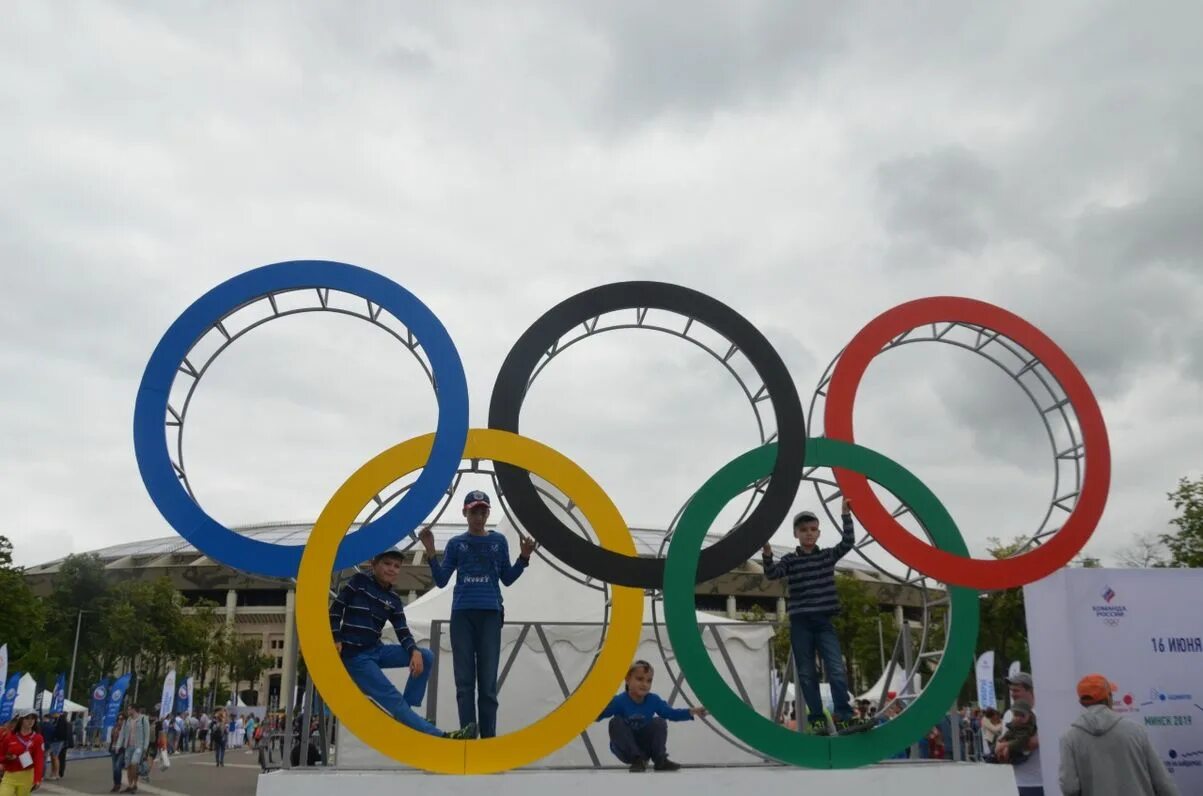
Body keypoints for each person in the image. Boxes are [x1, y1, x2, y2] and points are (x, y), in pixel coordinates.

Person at [419, 490, 536, 739]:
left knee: (487, 683)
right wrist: (430, 551)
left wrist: (524, 558)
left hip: (490, 614)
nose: (478, 516)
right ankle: (468, 736)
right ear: (465, 512)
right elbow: (441, 581)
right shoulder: (455, 544)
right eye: (474, 511)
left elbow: (507, 578)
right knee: (464, 681)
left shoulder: (499, 542)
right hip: (462, 615)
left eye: (483, 511)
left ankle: (489, 739)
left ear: (488, 513)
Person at [330, 548, 476, 739]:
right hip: (356, 656)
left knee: (426, 655)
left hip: (376, 649)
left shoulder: (393, 600)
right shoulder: (359, 582)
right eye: (387, 564)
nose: (392, 569)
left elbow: (403, 631)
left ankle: (406, 713)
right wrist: (336, 638)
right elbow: (335, 610)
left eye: (397, 566)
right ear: (374, 564)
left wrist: (414, 651)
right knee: (392, 696)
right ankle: (441, 736)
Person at [761, 498, 862, 735]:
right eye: (804, 530)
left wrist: (846, 515)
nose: (809, 534)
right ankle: (817, 719)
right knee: (806, 674)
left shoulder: (826, 556)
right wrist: (767, 554)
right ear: (796, 534)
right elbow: (772, 574)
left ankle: (844, 717)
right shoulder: (790, 560)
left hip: (824, 622)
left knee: (836, 670)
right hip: (801, 623)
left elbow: (848, 542)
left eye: (813, 529)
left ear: (818, 533)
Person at [1058, 674, 1178, 796]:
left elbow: (1069, 788)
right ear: (1109, 698)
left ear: (1081, 702)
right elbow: (1162, 782)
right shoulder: (1136, 731)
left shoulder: (1069, 739)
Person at [596, 661, 706, 772]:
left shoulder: (653, 700)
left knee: (659, 722)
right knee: (616, 722)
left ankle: (660, 760)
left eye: (649, 681)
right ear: (627, 679)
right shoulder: (619, 701)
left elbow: (671, 713)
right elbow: (597, 715)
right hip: (625, 750)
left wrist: (693, 711)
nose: (644, 684)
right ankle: (636, 760)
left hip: (645, 749)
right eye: (639, 679)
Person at [997, 672, 1043, 796]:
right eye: (1011, 690)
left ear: (1030, 690)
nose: (1012, 694)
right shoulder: (1009, 714)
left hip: (1044, 781)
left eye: (1016, 690)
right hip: (1019, 782)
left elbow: (1030, 744)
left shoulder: (1044, 711)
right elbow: (1004, 748)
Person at [1, 710, 45, 796]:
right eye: (27, 718)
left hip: (27, 776)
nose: (30, 721)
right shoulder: (10, 737)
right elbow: (1, 755)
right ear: (21, 720)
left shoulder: (38, 738)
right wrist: (7, 758)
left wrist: (37, 779)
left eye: (33, 718)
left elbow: (39, 760)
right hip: (9, 775)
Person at [117, 704, 149, 794]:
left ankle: (134, 784)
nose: (128, 711)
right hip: (128, 746)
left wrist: (145, 747)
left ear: (134, 710)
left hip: (139, 746)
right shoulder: (127, 720)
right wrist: (119, 745)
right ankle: (130, 785)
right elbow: (122, 733)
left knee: (134, 763)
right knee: (129, 766)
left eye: (129, 709)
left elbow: (147, 734)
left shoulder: (143, 719)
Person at [108, 712, 127, 793]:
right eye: (119, 719)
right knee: (114, 769)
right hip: (113, 749)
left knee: (117, 767)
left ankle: (118, 784)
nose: (120, 721)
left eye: (122, 719)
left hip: (121, 749)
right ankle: (116, 784)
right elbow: (112, 738)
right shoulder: (115, 727)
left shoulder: (126, 728)